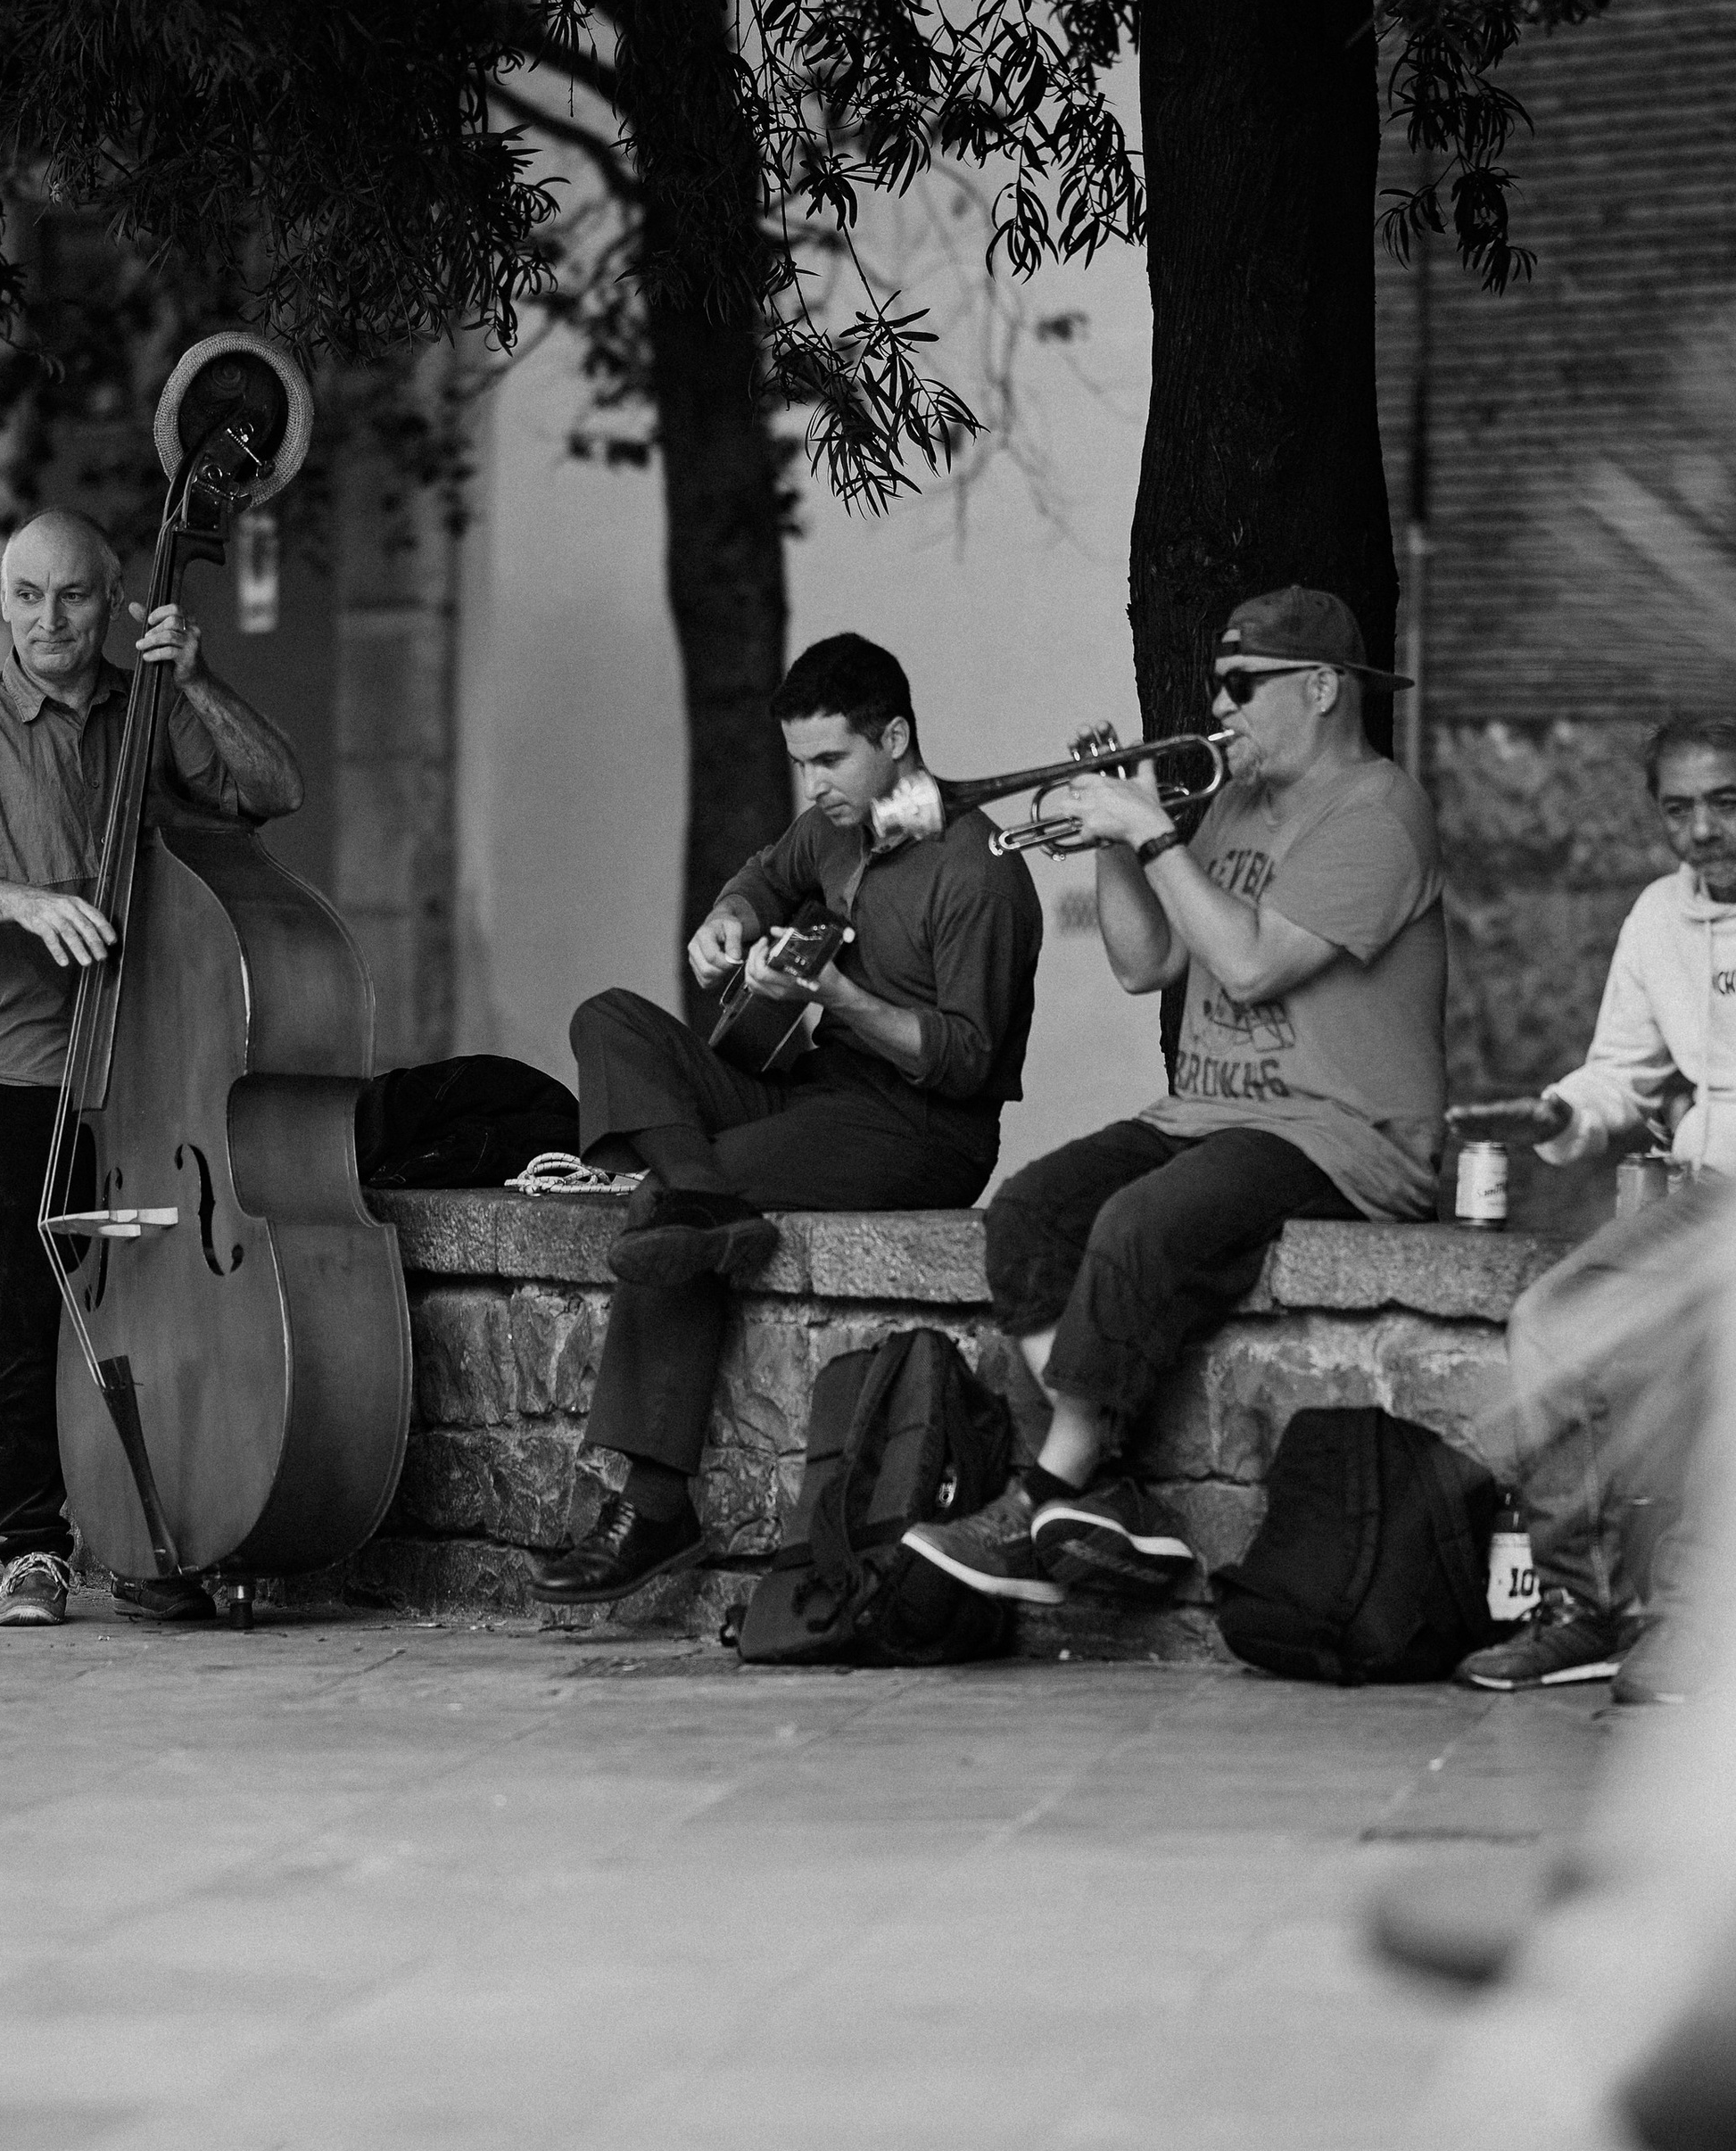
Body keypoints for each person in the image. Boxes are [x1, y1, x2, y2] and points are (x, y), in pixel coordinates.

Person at [905, 583, 1444, 1612]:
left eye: (1243, 687)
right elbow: (1142, 963)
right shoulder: (1235, 803)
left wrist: (1151, 833)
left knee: (1136, 1225)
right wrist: (1114, 835)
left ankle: (1053, 1487)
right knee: (1028, 1214)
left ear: (1324, 688)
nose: (1222, 709)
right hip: (1203, 1112)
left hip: (1341, 1133)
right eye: (1218, 688)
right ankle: (1098, 1487)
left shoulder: (1380, 811)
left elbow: (1244, 968)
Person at [527, 633, 1042, 1607]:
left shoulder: (978, 872)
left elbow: (969, 1063)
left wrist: (840, 998)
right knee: (609, 1020)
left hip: (920, 1128)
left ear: (895, 736)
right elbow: (766, 876)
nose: (812, 783)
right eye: (799, 761)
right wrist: (727, 920)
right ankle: (700, 1197)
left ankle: (655, 1507)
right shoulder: (839, 829)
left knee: (668, 1205)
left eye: (830, 759)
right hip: (808, 1085)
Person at [0, 508, 302, 1628]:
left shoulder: (152, 711)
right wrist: (18, 901)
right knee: (31, 1313)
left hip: (160, 1073)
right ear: (3, 602)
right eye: (27, 596)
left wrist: (198, 682)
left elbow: (270, 791)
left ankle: (160, 1530)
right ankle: (33, 1544)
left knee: (162, 1310)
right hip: (24, 1071)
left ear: (111, 602)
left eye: (71, 597)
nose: (48, 620)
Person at [1456, 709, 1736, 1696]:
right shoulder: (1660, 915)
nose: (1703, 831)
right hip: (1710, 1197)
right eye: (1679, 810)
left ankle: (1695, 1622)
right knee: (1549, 1319)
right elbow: (1620, 1074)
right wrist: (1555, 1110)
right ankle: (1582, 1607)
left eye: (1724, 804)